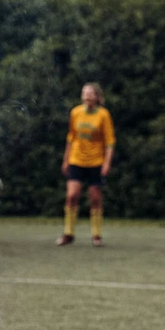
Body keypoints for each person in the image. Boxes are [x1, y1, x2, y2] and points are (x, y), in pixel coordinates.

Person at [56, 82, 115, 247]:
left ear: (97, 97)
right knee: (72, 196)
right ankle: (68, 233)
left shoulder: (103, 115)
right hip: (76, 160)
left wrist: (107, 163)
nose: (87, 96)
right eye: (84, 93)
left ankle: (96, 235)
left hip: (96, 161)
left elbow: (110, 142)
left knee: (95, 198)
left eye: (90, 93)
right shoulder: (75, 112)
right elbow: (71, 137)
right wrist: (66, 159)